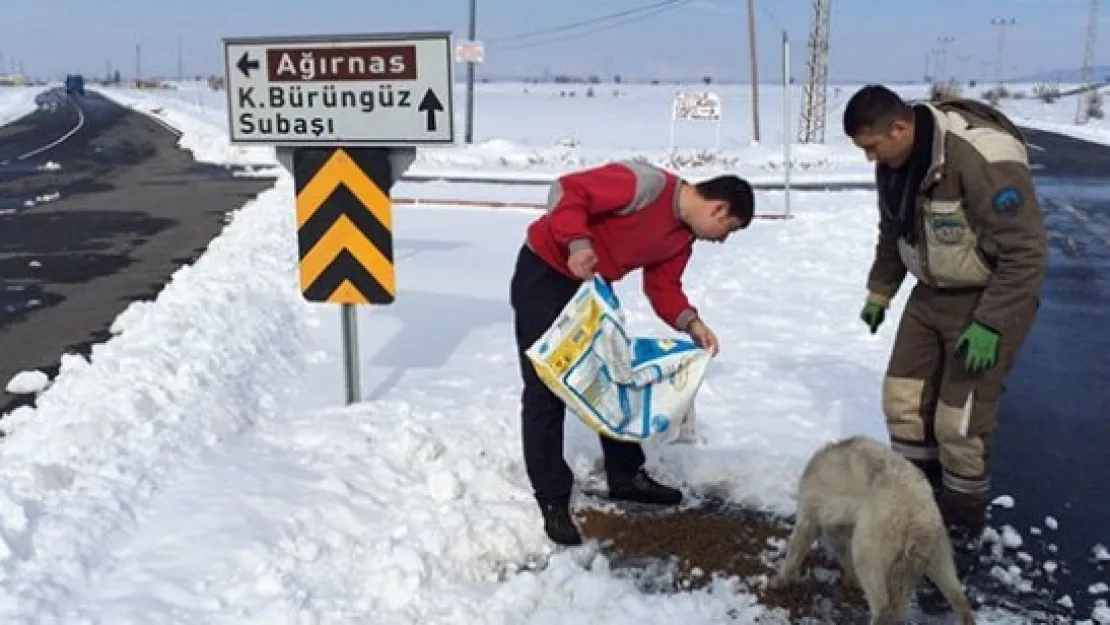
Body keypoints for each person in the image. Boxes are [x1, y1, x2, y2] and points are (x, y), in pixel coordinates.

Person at [843, 85, 1046, 569]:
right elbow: (893, 230)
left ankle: (960, 527)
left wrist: (992, 324)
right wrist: (880, 291)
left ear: (900, 127)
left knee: (957, 425)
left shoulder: (980, 158)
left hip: (987, 296)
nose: (869, 158)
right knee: (903, 404)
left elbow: (1026, 253)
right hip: (930, 293)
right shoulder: (893, 165)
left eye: (872, 146)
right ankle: (918, 509)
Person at [509, 158, 755, 546]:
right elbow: (567, 190)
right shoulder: (647, 184)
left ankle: (626, 476)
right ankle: (553, 499)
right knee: (545, 388)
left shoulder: (681, 237)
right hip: (546, 272)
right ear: (719, 208)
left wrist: (692, 323)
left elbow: (663, 288)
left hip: (592, 289)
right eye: (728, 229)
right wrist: (578, 243)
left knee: (614, 373)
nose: (722, 239)